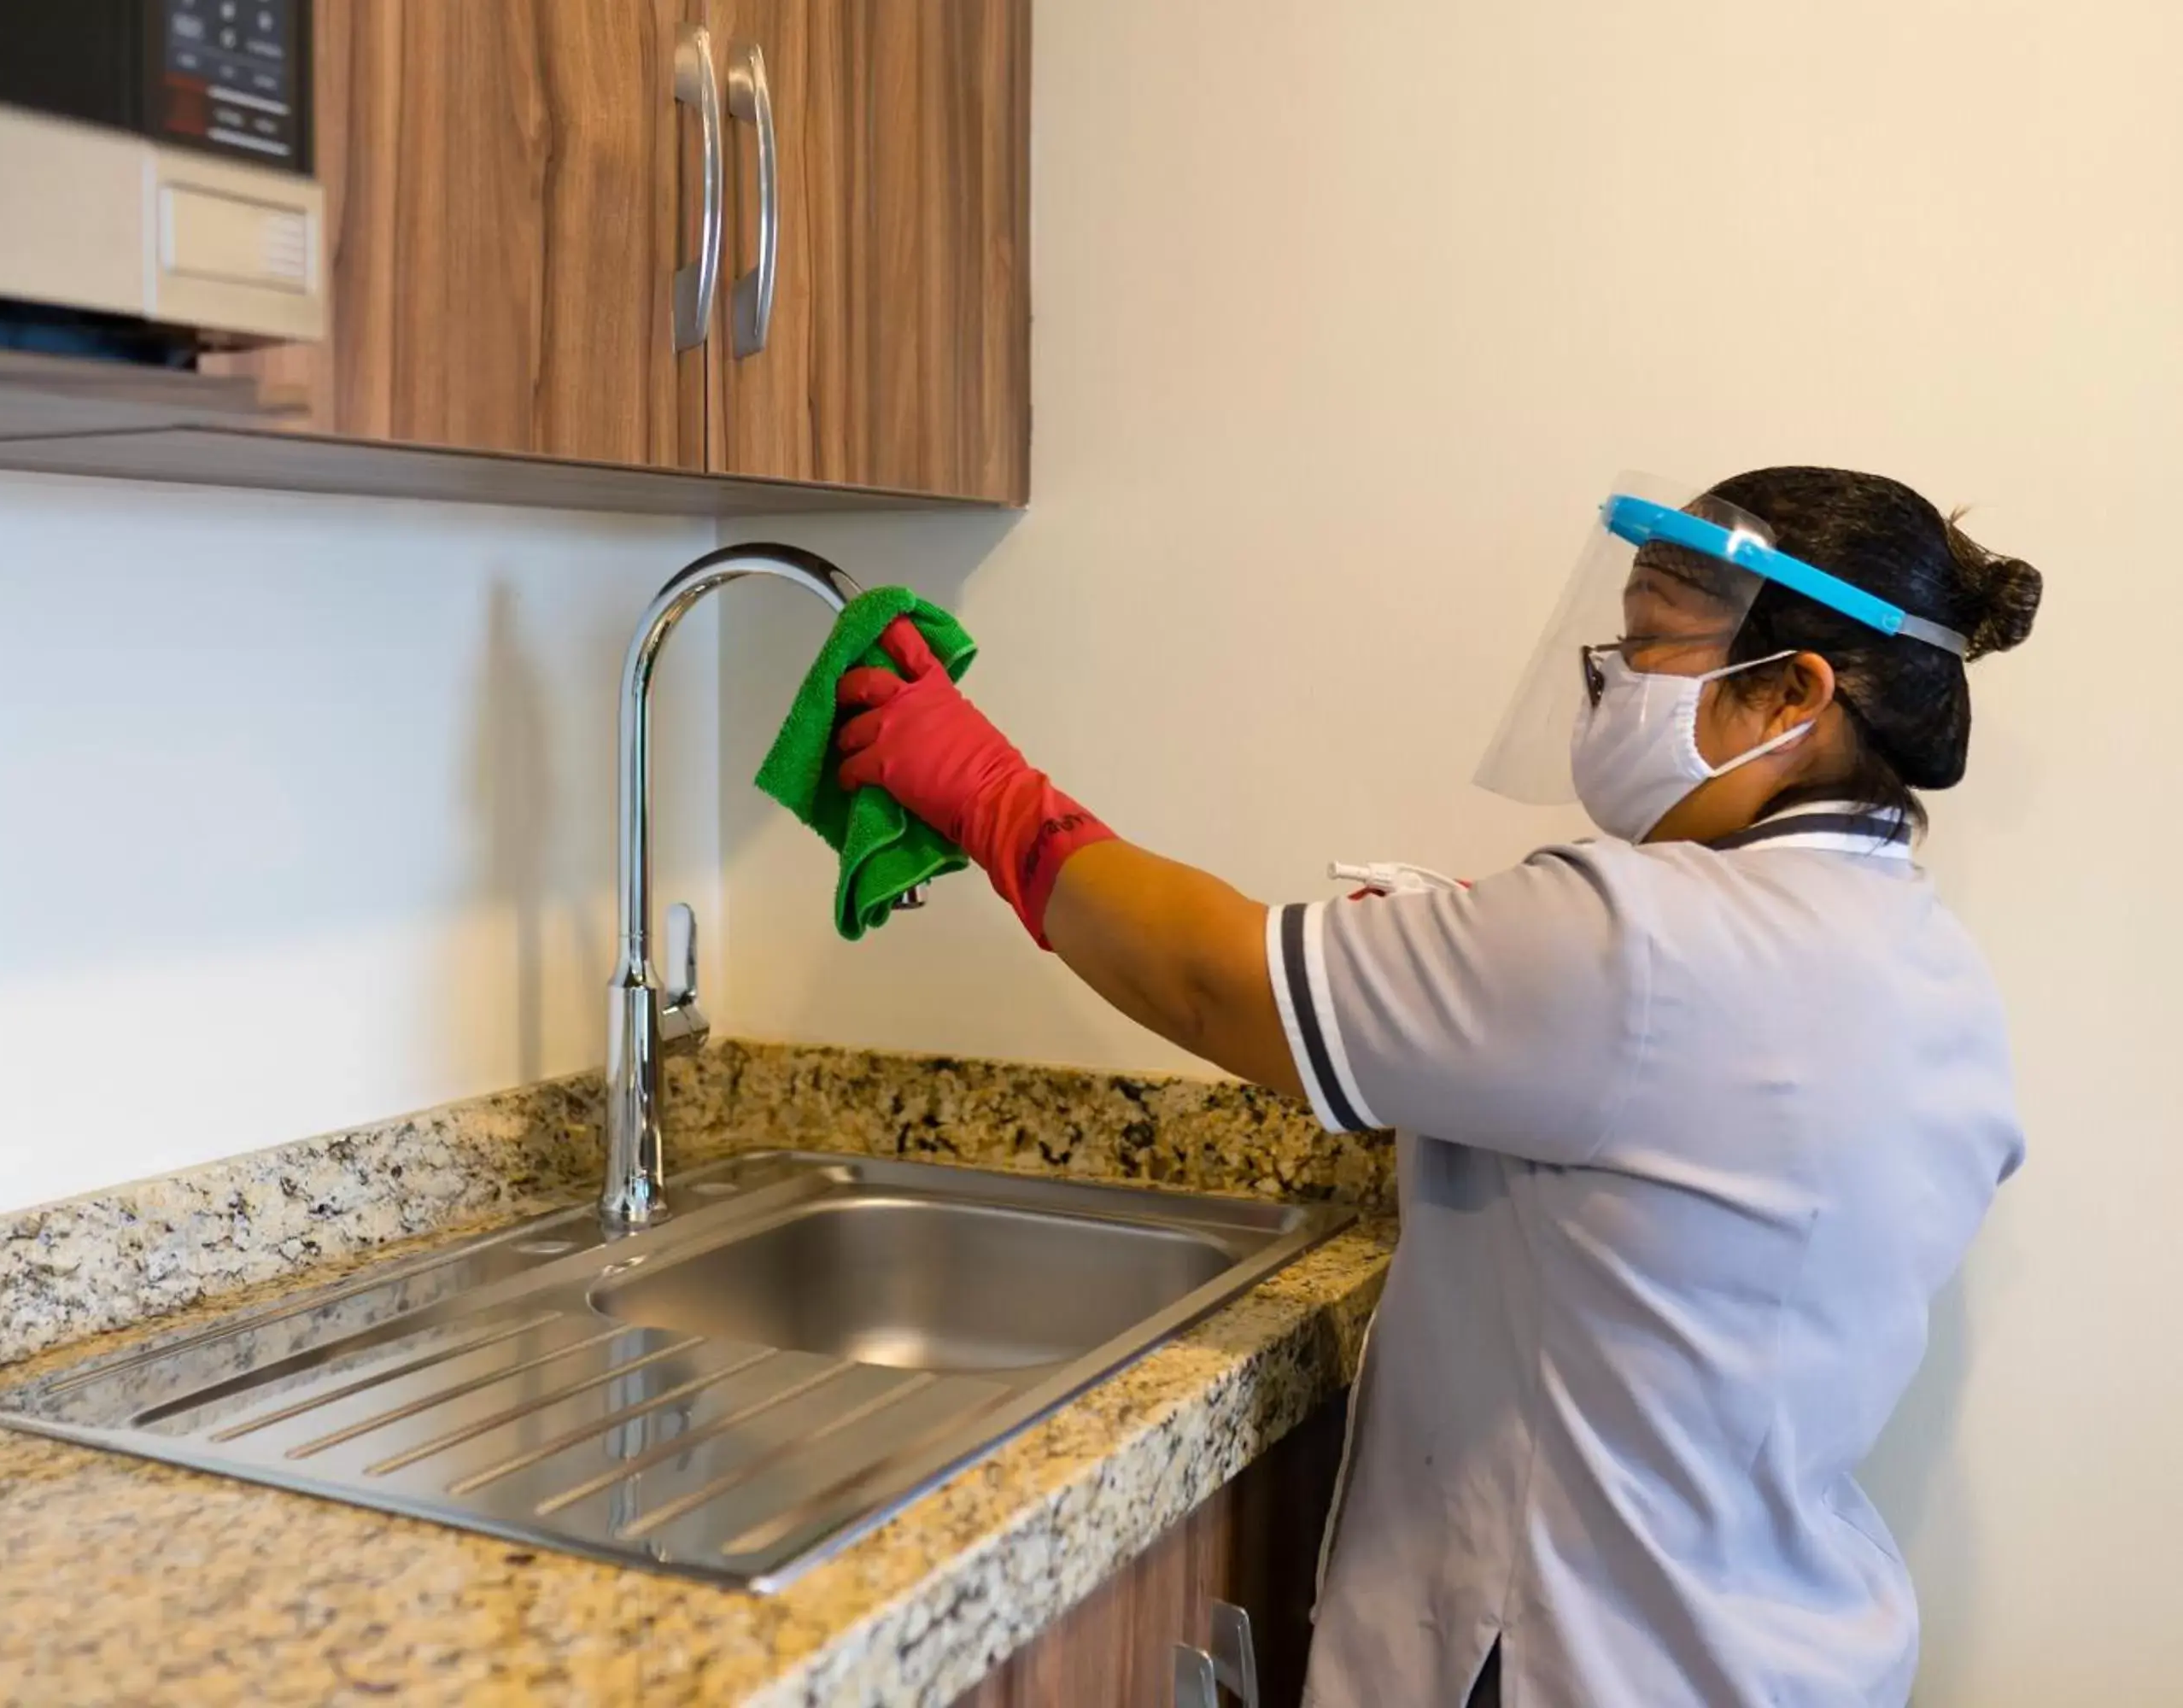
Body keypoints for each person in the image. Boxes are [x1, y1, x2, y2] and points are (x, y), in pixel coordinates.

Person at [832, 467, 2040, 1708]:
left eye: (1648, 650)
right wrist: (1482, 979)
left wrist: (987, 792)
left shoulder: (1640, 942)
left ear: (1792, 694)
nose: (1609, 683)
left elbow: (1210, 984)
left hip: (1572, 1662)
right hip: (1783, 1650)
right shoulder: (1928, 966)